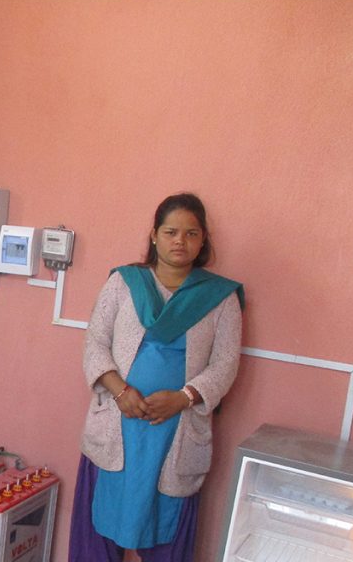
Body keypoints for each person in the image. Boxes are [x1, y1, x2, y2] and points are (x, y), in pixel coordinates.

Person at [68, 193, 245, 562]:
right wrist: (120, 392)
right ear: (154, 235)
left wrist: (183, 398)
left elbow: (225, 364)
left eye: (191, 233)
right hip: (119, 422)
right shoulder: (124, 282)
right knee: (99, 534)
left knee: (166, 532)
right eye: (171, 232)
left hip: (174, 430)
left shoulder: (220, 298)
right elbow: (96, 342)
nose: (180, 241)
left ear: (203, 240)